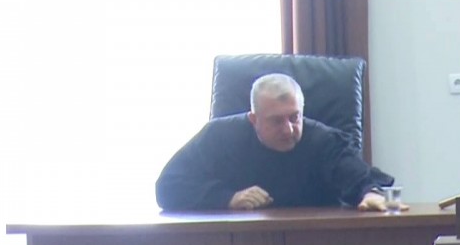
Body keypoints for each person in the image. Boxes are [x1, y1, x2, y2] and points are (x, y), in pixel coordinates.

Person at [156, 73, 399, 211]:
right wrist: (227, 198)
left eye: (294, 117)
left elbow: (360, 178)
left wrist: (371, 193)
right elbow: (168, 187)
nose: (288, 129)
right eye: (276, 121)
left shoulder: (323, 140)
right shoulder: (219, 137)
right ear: (253, 119)